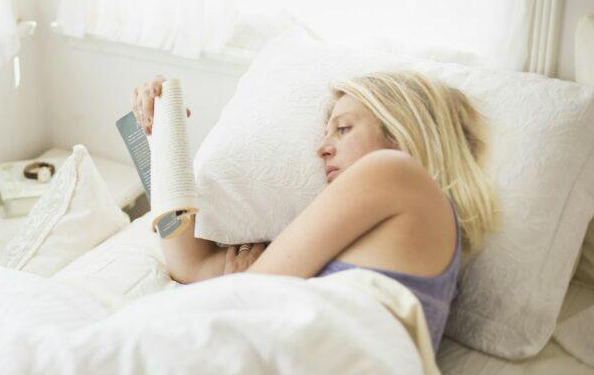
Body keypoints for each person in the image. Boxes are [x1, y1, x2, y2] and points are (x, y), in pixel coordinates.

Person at [130, 71, 498, 352]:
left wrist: (249, 281)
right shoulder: (374, 234)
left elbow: (249, 292)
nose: (322, 148)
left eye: (343, 128)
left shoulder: (394, 171)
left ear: (402, 133)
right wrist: (160, 137)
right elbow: (190, 267)